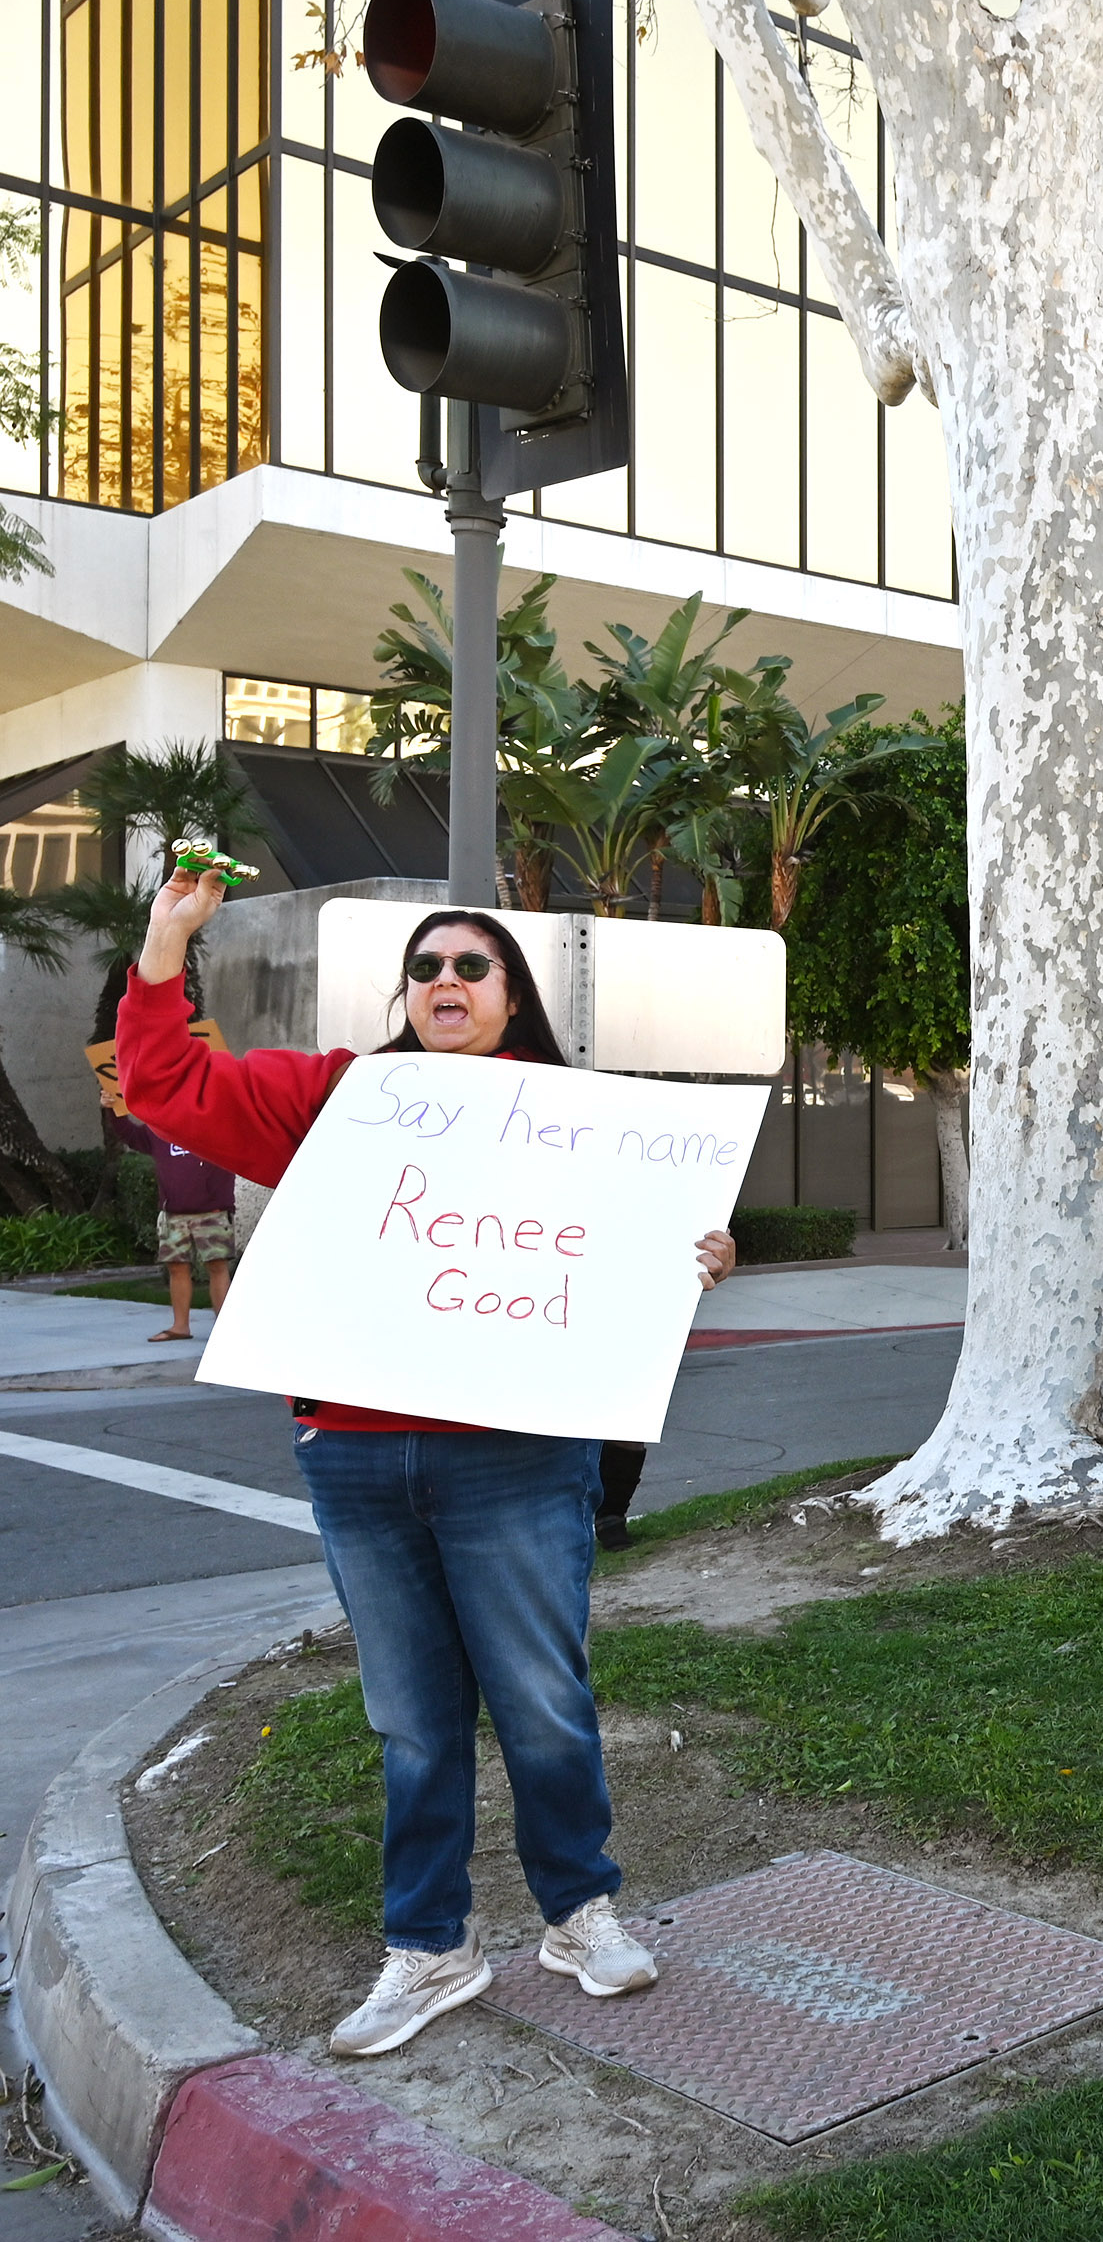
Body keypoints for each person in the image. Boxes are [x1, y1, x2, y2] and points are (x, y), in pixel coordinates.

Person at [117, 870, 737, 2058]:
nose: (444, 980)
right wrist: (163, 948)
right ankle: (430, 1946)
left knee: (544, 1703)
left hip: (517, 1458)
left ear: (511, 995)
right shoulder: (339, 1098)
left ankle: (577, 1913)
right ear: (406, 994)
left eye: (470, 965)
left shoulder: (587, 1121)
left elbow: (645, 1251)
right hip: (355, 1458)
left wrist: (697, 1255)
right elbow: (166, 1084)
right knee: (410, 1720)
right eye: (425, 966)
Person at [109, 1108, 239, 1342]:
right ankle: (180, 1327)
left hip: (213, 1211)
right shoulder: (160, 1129)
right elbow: (130, 1135)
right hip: (174, 1214)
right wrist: (113, 1109)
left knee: (217, 1266)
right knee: (177, 1268)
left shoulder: (217, 1124)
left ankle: (226, 1328)